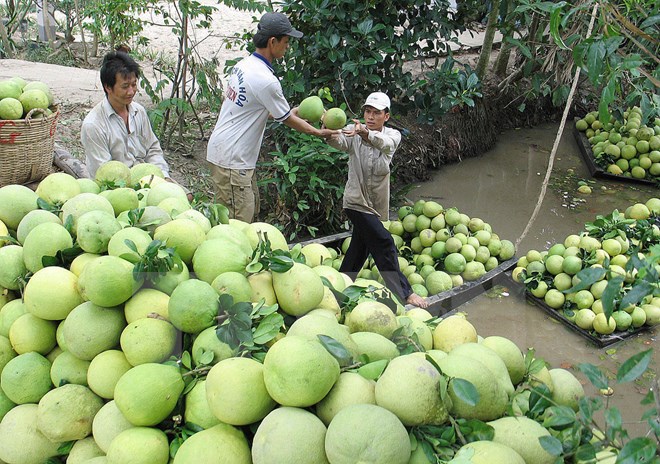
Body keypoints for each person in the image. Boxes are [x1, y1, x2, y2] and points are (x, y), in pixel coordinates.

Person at [206, 11, 339, 223]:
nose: (288, 47)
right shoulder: (265, 79)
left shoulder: (244, 66)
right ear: (273, 41)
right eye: (286, 42)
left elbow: (251, 109)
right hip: (232, 160)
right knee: (235, 225)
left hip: (228, 154)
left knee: (246, 213)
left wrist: (289, 112)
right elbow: (285, 119)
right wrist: (317, 132)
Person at [327, 92, 429, 309]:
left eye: (376, 113)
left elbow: (385, 144)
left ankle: (340, 288)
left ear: (386, 116)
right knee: (384, 241)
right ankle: (405, 293)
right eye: (367, 112)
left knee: (360, 247)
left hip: (375, 204)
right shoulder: (354, 134)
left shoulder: (392, 136)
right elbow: (338, 140)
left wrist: (365, 134)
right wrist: (326, 128)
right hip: (355, 201)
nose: (370, 117)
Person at [80, 49, 172, 183]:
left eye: (134, 85)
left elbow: (153, 149)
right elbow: (105, 173)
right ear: (108, 87)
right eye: (125, 86)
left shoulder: (138, 112)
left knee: (187, 196)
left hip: (147, 179)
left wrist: (163, 176)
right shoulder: (93, 125)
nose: (131, 92)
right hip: (117, 188)